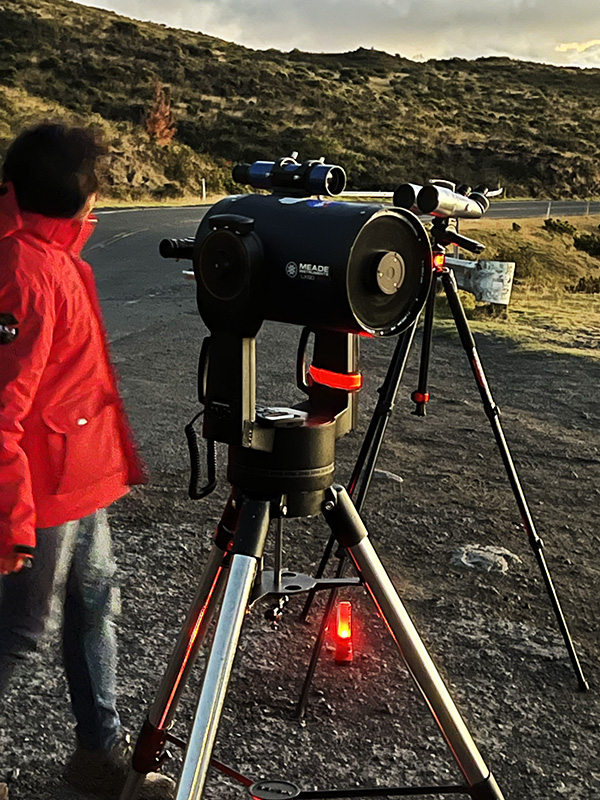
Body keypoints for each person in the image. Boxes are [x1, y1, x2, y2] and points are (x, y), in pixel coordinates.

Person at [0, 123, 174, 799]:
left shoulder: (55, 255)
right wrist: (12, 515)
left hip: (76, 480)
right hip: (39, 491)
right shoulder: (24, 271)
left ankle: (99, 756)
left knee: (95, 601)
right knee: (22, 631)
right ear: (75, 195)